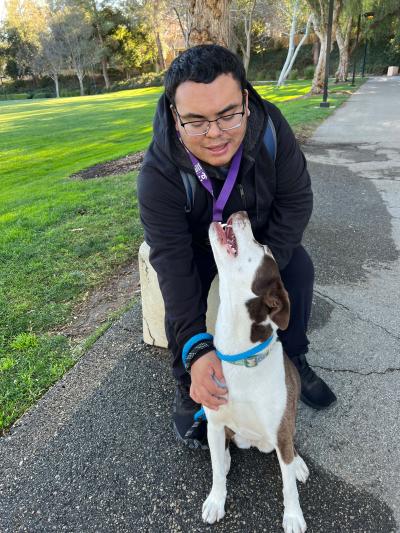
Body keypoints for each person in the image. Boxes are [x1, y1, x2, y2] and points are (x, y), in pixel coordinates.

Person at [138, 44, 336, 450]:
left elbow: (297, 201)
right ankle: (188, 383)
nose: (214, 133)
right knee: (183, 292)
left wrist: (261, 267)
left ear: (245, 100)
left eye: (228, 115)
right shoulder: (158, 172)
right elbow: (171, 262)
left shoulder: (269, 129)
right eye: (195, 121)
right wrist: (197, 349)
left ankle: (292, 357)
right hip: (198, 245)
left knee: (297, 268)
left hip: (255, 237)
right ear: (175, 117)